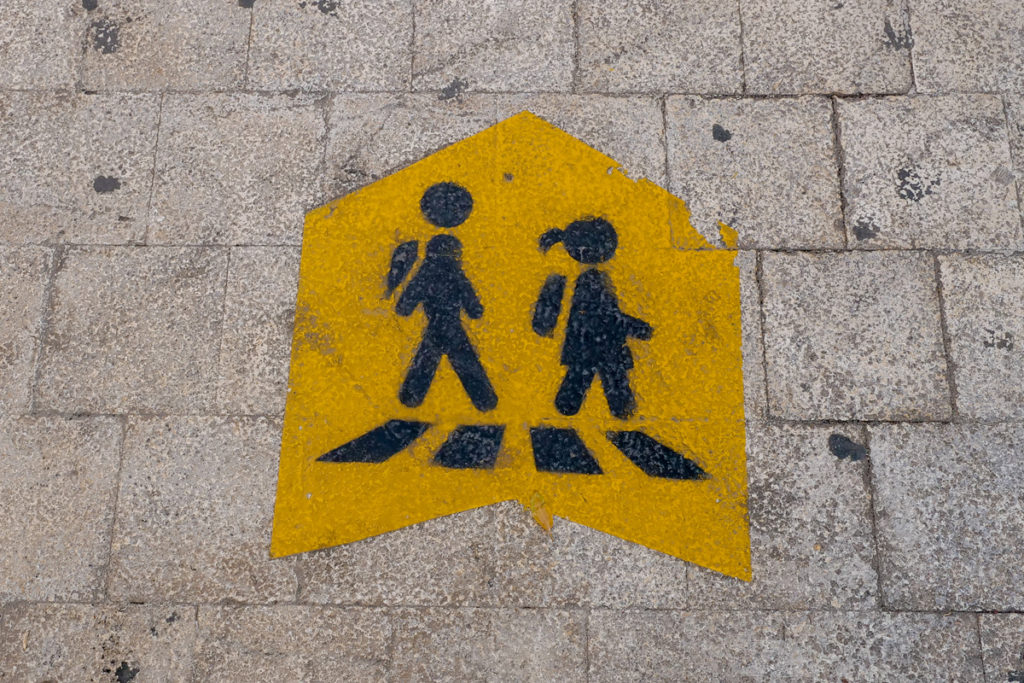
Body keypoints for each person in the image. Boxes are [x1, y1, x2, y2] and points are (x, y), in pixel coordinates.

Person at [532, 217, 652, 419]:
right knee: (608, 377)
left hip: (585, 344)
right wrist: (638, 328)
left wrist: (545, 324)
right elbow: (607, 317)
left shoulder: (581, 278)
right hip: (600, 344)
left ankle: (573, 404)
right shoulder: (593, 280)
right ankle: (615, 409)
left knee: (586, 376)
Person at [392, 183, 497, 412]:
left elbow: (411, 295)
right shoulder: (455, 272)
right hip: (451, 323)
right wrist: (474, 309)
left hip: (436, 323)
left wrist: (405, 307)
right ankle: (484, 400)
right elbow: (468, 294)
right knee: (462, 359)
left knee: (428, 357)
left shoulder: (427, 271)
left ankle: (412, 396)